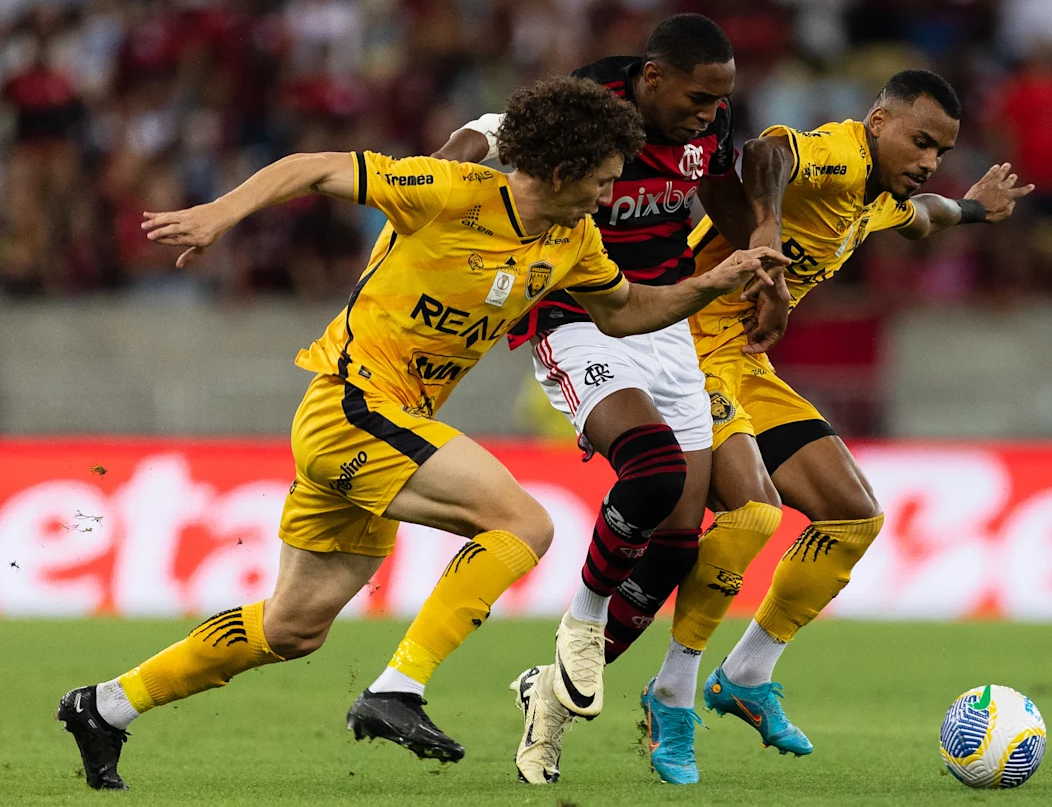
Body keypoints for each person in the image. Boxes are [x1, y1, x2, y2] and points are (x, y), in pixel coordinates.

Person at [55, 75, 786, 791]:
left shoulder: (573, 241)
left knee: (292, 629)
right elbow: (310, 167)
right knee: (522, 524)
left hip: (391, 426)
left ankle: (104, 707)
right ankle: (397, 689)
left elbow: (627, 312)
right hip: (350, 408)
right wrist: (220, 213)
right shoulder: (450, 191)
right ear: (561, 171)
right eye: (600, 181)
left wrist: (714, 283)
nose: (607, 197)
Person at [516, 70, 1035, 786]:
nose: (926, 161)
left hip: (744, 368)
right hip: (687, 350)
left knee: (854, 515)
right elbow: (765, 154)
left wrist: (975, 210)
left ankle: (748, 675)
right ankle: (671, 693)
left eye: (940, 152)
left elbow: (925, 218)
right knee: (753, 514)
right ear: (878, 121)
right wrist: (765, 228)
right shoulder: (839, 155)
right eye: (918, 141)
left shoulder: (881, 197)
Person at [432, 15, 787, 784]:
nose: (708, 112)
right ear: (653, 77)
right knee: (652, 470)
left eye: (719, 100)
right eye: (697, 97)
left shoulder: (707, 123)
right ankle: (583, 623)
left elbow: (723, 193)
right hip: (577, 313)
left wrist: (765, 262)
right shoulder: (588, 101)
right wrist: (443, 172)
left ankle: (548, 699)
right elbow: (488, 132)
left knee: (677, 545)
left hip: (667, 319)